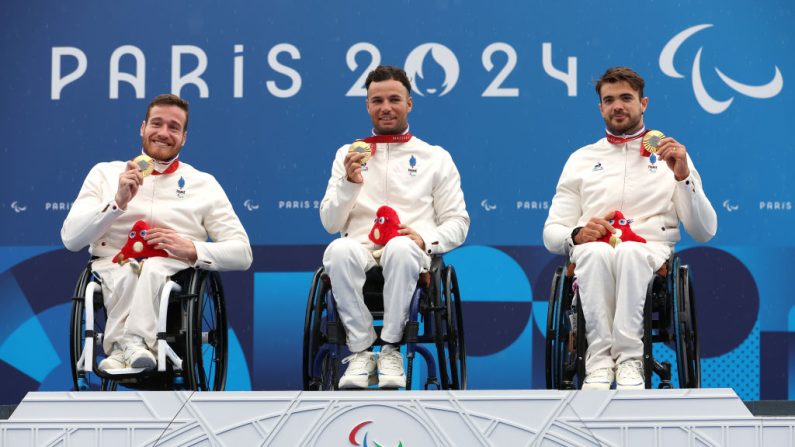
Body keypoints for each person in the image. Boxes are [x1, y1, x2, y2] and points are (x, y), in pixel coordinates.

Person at [543, 67, 717, 390]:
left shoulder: (670, 155)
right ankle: (597, 363)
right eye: (609, 100)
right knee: (593, 254)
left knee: (631, 253)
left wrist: (683, 177)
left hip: (649, 248)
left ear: (644, 103)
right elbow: (552, 231)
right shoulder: (581, 159)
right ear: (600, 108)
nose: (617, 106)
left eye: (626, 98)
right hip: (596, 248)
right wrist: (577, 234)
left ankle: (630, 360)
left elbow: (704, 230)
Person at [62, 94, 252, 372]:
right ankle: (128, 348)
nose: (163, 133)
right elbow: (71, 239)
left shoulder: (204, 184)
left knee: (152, 268)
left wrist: (192, 249)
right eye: (157, 123)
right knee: (127, 271)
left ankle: (126, 347)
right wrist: (117, 202)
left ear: (184, 137)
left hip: (170, 270)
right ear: (142, 128)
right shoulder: (105, 174)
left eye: (174, 127)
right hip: (113, 265)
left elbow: (242, 253)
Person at [320, 65, 469, 389]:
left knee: (401, 249)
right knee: (338, 251)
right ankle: (360, 350)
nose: (385, 107)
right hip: (360, 248)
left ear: (409, 104)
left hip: (409, 250)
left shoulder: (435, 157)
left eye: (394, 99)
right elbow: (331, 223)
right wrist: (349, 183)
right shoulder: (348, 154)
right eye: (377, 100)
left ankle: (390, 349)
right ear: (367, 106)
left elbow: (458, 222)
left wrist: (426, 239)